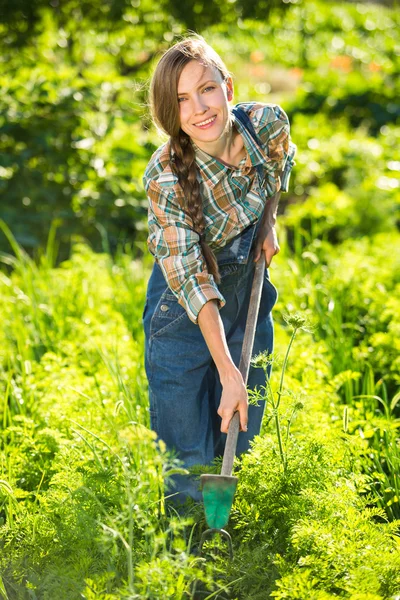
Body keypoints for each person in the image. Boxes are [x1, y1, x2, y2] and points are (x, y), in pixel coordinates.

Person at [142, 35, 296, 504]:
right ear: (172, 112)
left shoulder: (266, 125)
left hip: (246, 293)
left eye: (206, 89)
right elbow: (191, 278)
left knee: (240, 443)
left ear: (228, 87)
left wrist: (267, 223)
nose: (199, 109)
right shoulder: (166, 175)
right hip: (184, 316)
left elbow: (279, 164)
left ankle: (227, 546)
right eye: (181, 100)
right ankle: (188, 565)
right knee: (187, 459)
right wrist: (230, 372)